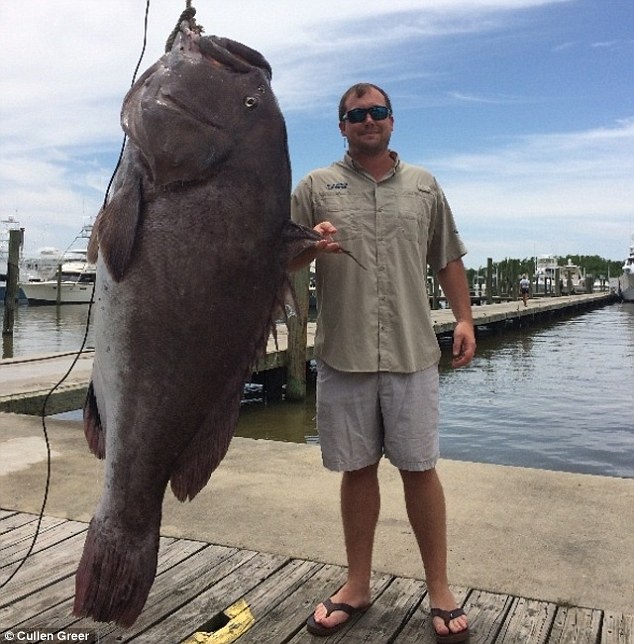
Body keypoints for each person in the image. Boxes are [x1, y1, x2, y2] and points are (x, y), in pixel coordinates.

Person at [290, 83, 476, 643]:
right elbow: (282, 256)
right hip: (343, 353)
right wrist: (312, 246)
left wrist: (464, 319)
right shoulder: (314, 187)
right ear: (341, 126)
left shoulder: (424, 185)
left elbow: (447, 258)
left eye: (377, 112)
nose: (368, 120)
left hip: (411, 351)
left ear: (392, 120)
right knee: (357, 469)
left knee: (420, 468)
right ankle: (357, 585)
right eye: (356, 115)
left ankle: (440, 589)